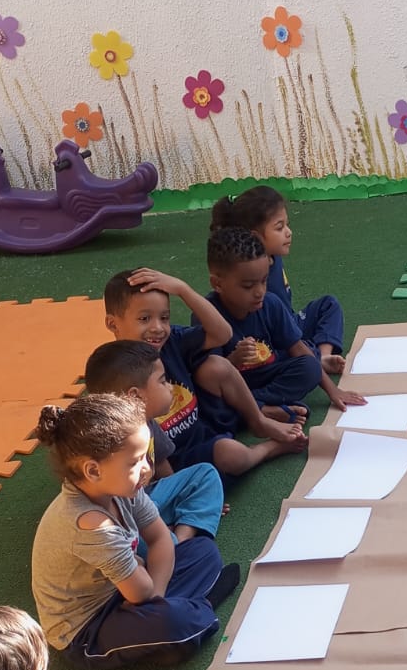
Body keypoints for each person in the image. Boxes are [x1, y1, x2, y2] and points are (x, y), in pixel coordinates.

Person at [31, 394, 238, 670]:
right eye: (134, 461)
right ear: (93, 471)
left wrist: (157, 598)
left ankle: (183, 620)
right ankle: (190, 616)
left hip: (130, 592)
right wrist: (147, 589)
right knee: (174, 622)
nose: (147, 469)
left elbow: (160, 538)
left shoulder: (124, 489)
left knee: (204, 552)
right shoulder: (90, 524)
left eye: (145, 456)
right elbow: (140, 591)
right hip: (87, 628)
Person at [103, 267, 306, 477]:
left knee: (215, 365)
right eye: (144, 319)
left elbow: (223, 334)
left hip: (203, 424)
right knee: (233, 455)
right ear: (112, 324)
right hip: (174, 460)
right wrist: (176, 486)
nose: (158, 328)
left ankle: (259, 420)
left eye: (164, 318)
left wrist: (183, 290)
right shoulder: (111, 376)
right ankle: (267, 449)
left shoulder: (172, 341)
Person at [206, 226, 367, 416]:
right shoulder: (208, 315)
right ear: (218, 284)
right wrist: (234, 359)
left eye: (264, 281)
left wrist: (333, 391)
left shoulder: (270, 303)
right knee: (208, 399)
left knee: (310, 366)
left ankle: (253, 407)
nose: (260, 292)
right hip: (236, 382)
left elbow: (298, 349)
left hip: (271, 375)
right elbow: (210, 376)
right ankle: (261, 409)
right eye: (248, 286)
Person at [84, 340, 224, 546]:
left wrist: (184, 495)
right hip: (124, 514)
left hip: (150, 498)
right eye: (163, 381)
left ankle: (180, 539)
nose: (170, 387)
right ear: (135, 396)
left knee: (206, 474)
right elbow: (110, 503)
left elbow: (162, 465)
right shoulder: (107, 439)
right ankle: (176, 539)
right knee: (131, 540)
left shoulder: (147, 421)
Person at [211, 186, 347, 377]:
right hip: (273, 336)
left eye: (287, 225)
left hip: (290, 324)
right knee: (285, 353)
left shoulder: (274, 256)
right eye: (279, 228)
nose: (288, 232)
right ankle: (314, 359)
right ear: (255, 237)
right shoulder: (251, 273)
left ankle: (323, 356)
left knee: (329, 305)